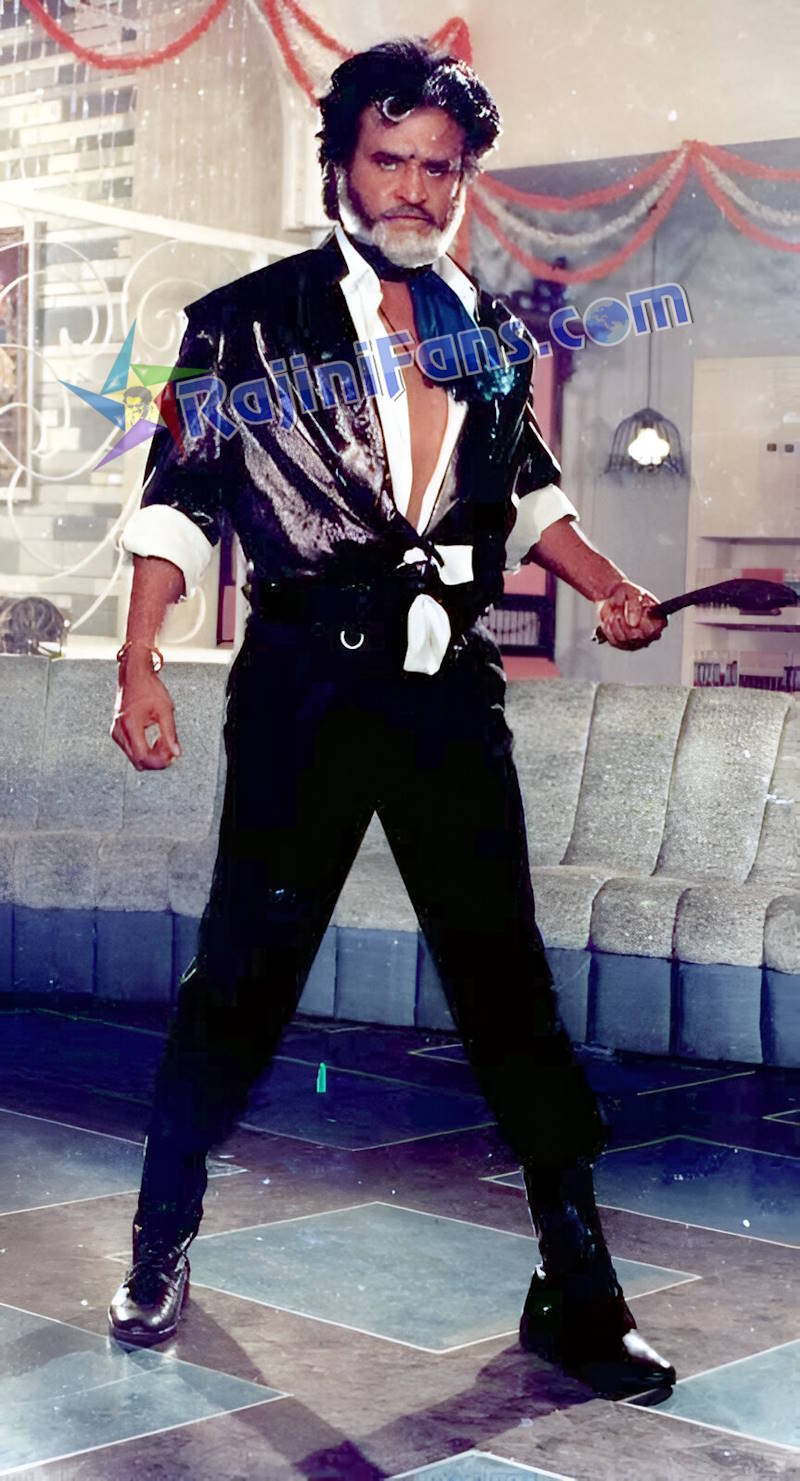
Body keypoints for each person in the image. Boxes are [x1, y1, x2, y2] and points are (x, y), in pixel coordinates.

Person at [107, 37, 674, 1398]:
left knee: (506, 979)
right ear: (341, 166)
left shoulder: (490, 332)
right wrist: (139, 657)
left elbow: (525, 493)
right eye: (391, 160)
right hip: (304, 684)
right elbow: (181, 497)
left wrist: (607, 584)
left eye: (441, 168)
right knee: (242, 973)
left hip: (446, 691)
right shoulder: (243, 325)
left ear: (464, 179)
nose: (416, 190)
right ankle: (160, 1236)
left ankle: (578, 1285)